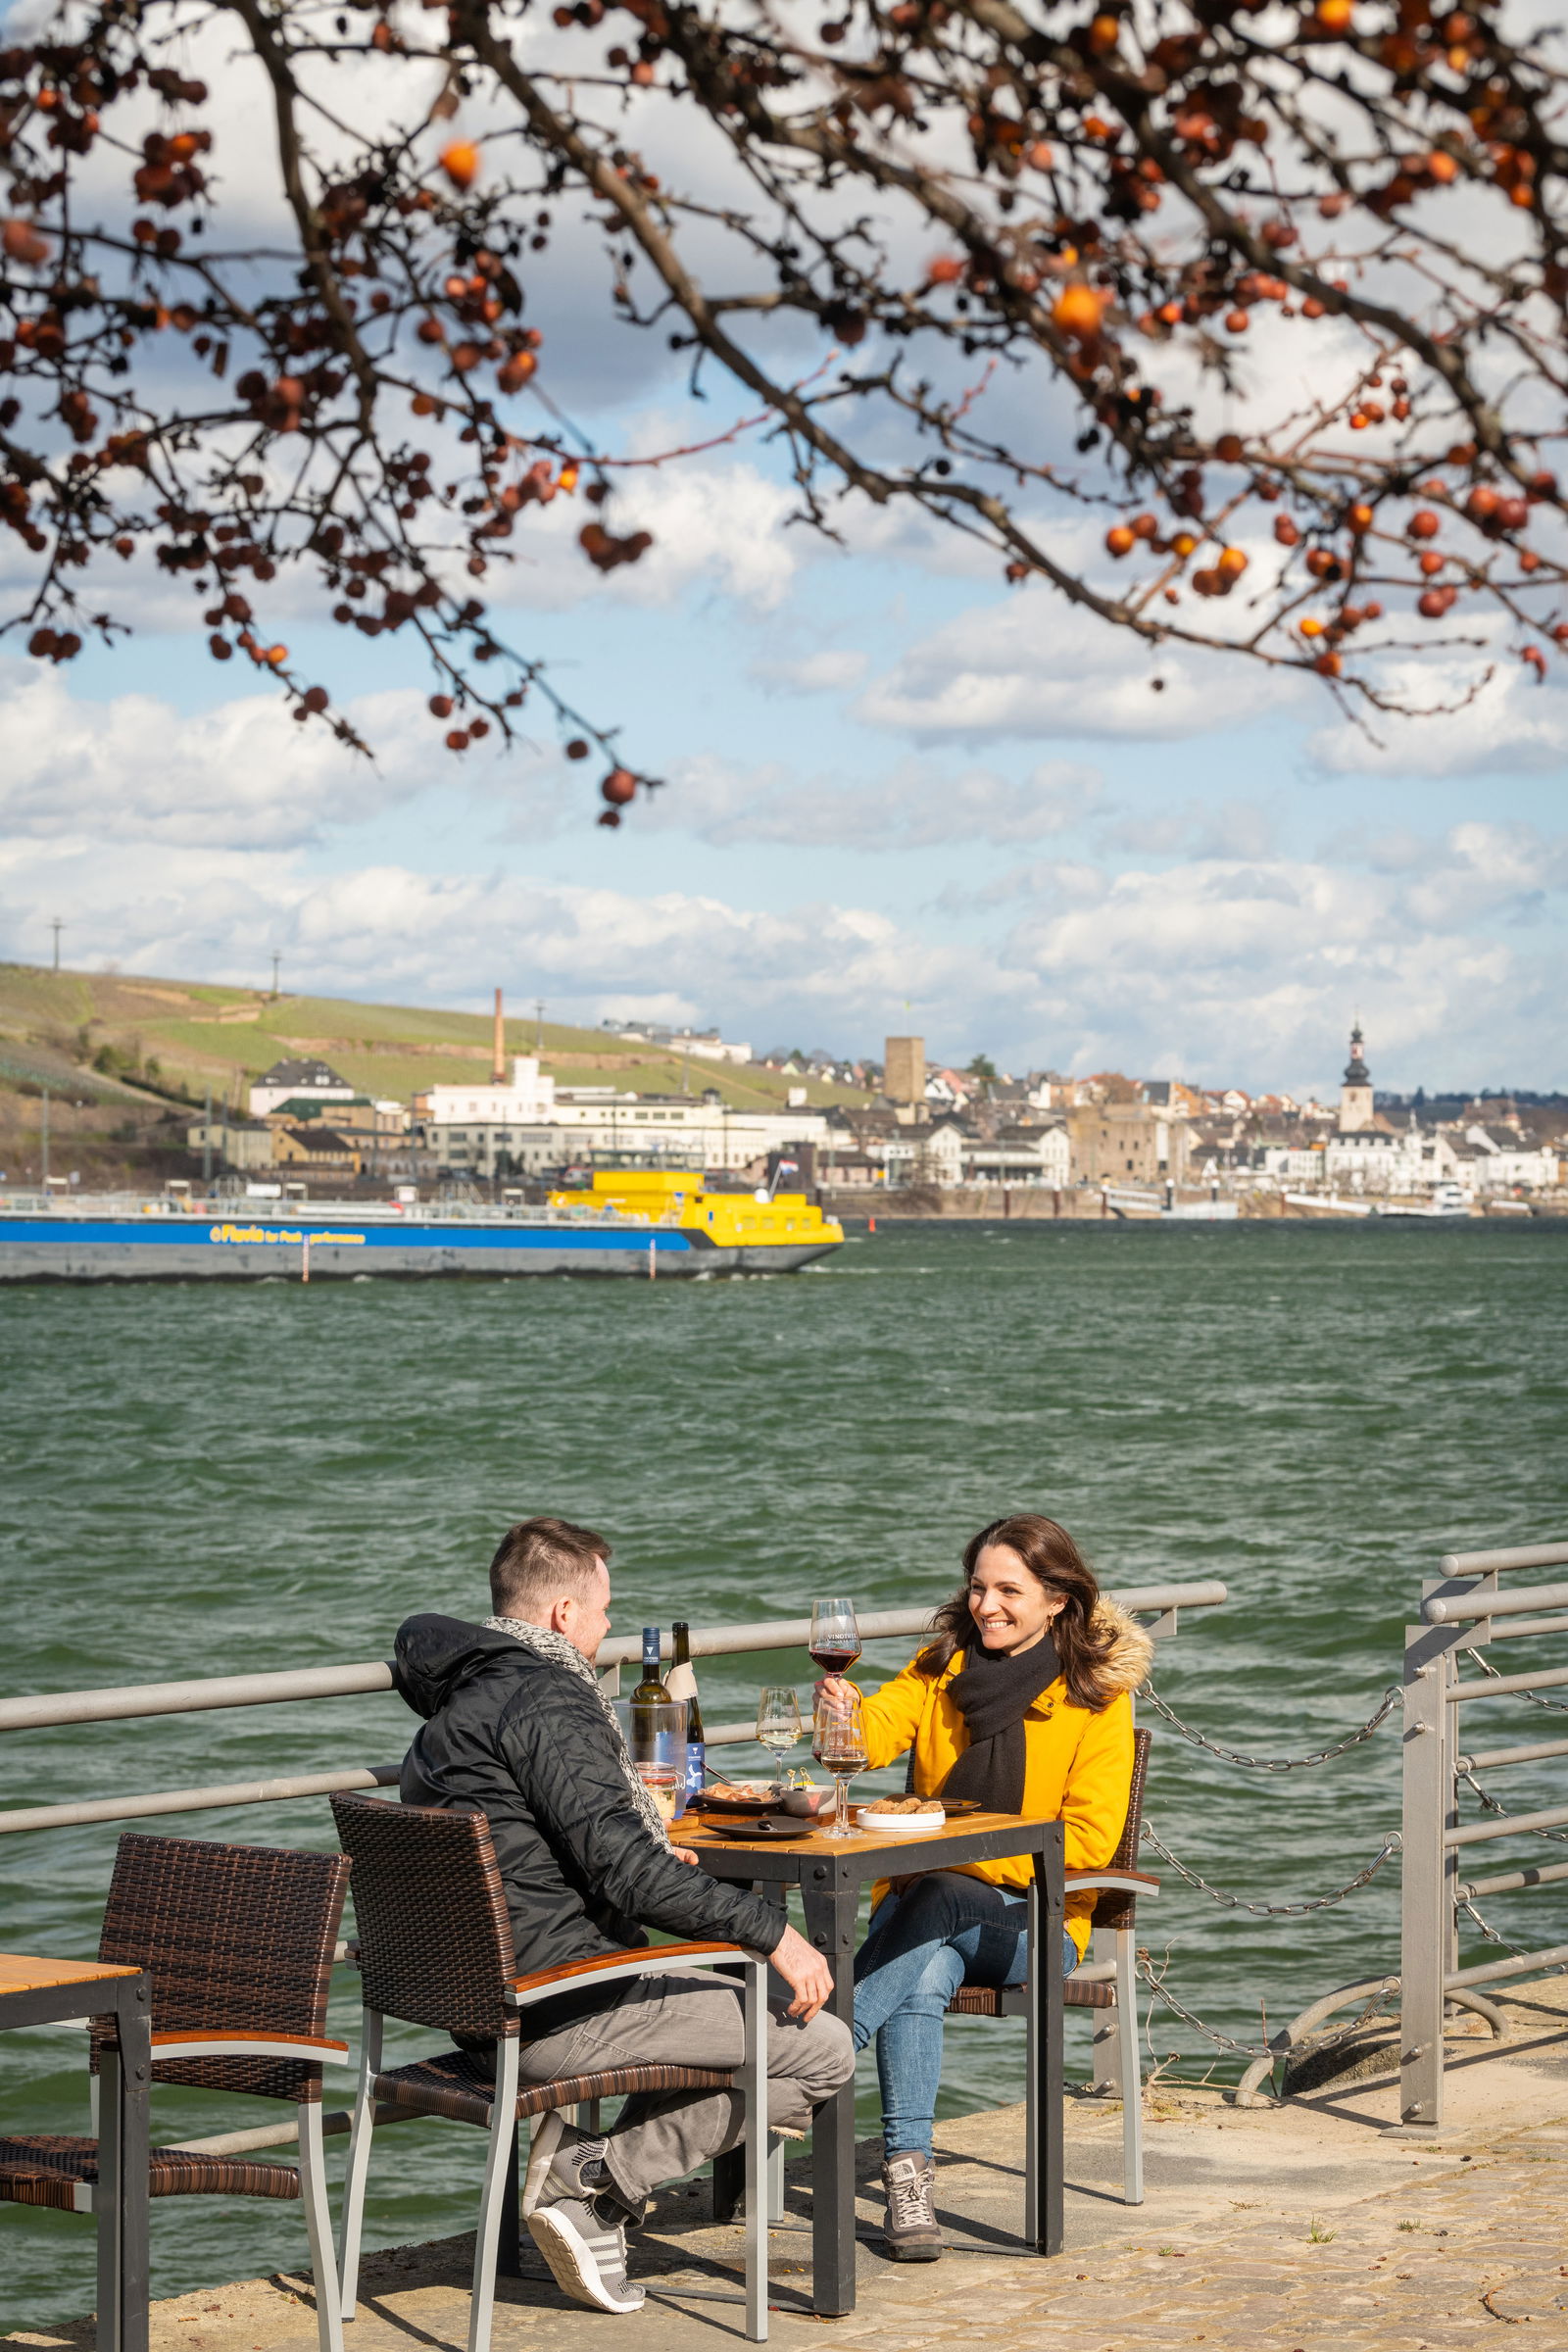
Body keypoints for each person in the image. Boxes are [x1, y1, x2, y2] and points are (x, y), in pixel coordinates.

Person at [393, 1515, 854, 2317]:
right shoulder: (547, 1696)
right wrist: (775, 1933)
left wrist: (628, 1865)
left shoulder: (457, 1704)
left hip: (471, 2010)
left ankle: (591, 2185)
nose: (608, 1627)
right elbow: (627, 1872)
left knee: (730, 2008)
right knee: (822, 2049)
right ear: (564, 1615)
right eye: (603, 1608)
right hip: (558, 2006)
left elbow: (538, 1852)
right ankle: (595, 2179)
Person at [815, 1513, 1149, 2263]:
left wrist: (963, 1854)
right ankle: (909, 2176)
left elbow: (1089, 1844)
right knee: (925, 1964)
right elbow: (873, 1733)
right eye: (976, 1587)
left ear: (1058, 1600)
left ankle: (808, 2056)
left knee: (936, 1894)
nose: (986, 1606)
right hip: (928, 1918)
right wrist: (842, 1717)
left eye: (1008, 1590)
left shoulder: (1097, 1696)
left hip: (1036, 1925)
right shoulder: (941, 1667)